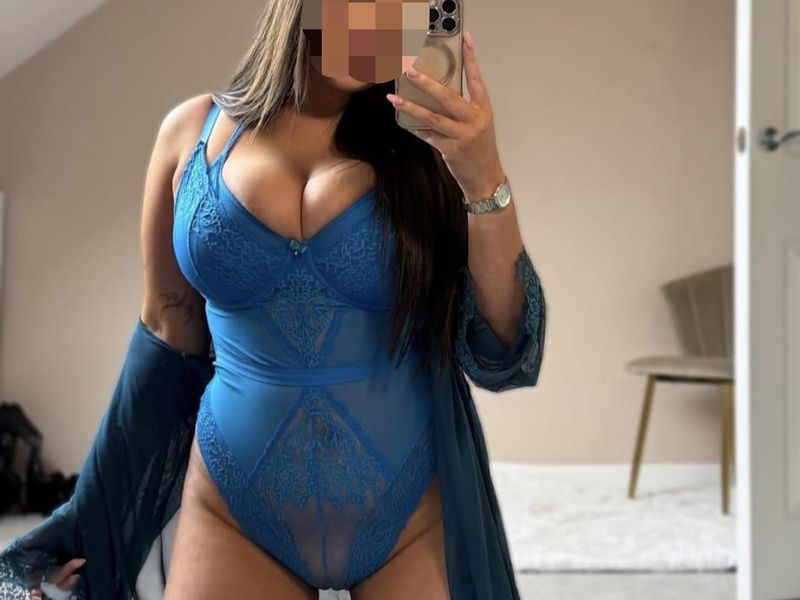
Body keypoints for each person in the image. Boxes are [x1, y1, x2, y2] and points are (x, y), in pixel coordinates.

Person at [9, 1, 547, 598]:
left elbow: (504, 351)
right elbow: (165, 339)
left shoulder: (432, 145)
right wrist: (86, 525)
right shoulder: (190, 133)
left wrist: (483, 178)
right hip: (234, 511)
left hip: (411, 511)